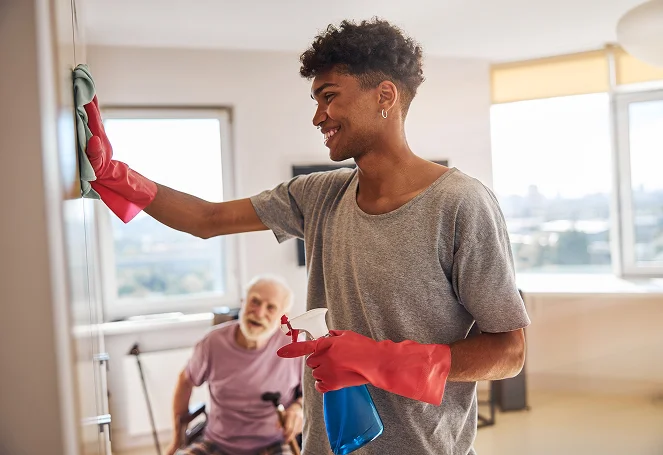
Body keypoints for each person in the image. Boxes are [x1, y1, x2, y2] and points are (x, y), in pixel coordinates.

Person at [83, 18, 530, 455]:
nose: (318, 117)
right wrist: (113, 174)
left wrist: (382, 361)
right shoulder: (320, 194)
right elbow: (208, 218)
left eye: (329, 97)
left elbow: (509, 351)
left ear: (385, 96)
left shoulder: (460, 204)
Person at [167, 275, 303, 455]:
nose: (259, 313)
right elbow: (185, 380)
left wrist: (298, 408)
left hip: (272, 445)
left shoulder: (295, 347)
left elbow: (311, 395)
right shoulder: (212, 342)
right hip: (217, 443)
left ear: (282, 317)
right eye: (254, 302)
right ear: (243, 302)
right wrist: (176, 439)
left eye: (270, 307)